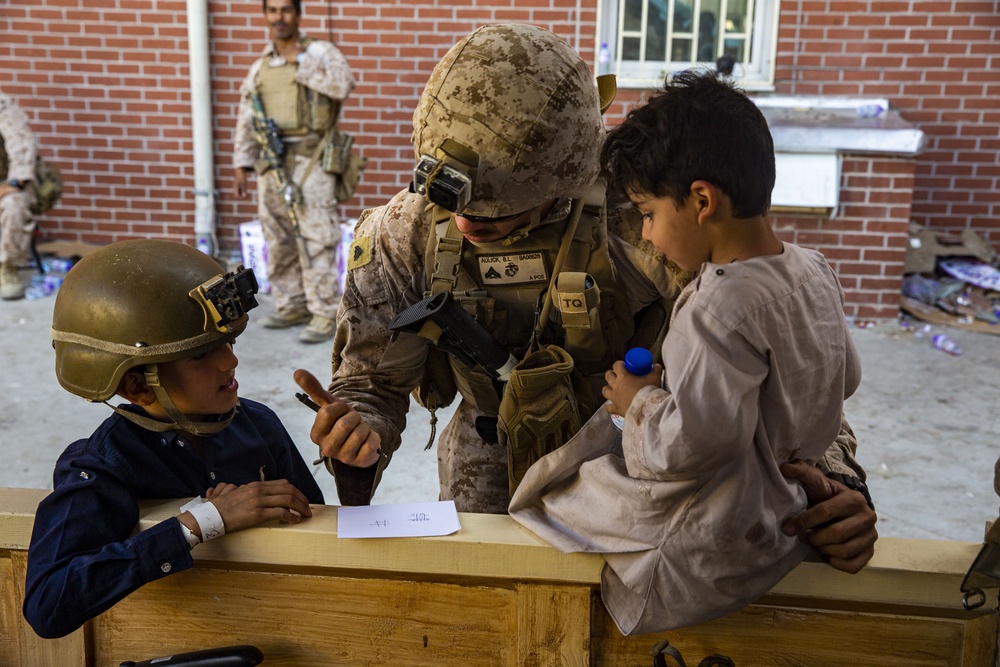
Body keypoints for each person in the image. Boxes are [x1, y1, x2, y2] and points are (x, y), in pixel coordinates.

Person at [294, 24, 876, 571]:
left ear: (568, 178)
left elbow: (788, 372)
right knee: (484, 593)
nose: (468, 225)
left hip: (630, 446)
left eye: (501, 210)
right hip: (488, 446)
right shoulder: (406, 232)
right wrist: (358, 426)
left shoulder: (644, 221)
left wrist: (834, 481)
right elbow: (373, 382)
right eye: (457, 207)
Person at [508, 71, 864, 634]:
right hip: (786, 502)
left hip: (717, 533)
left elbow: (686, 448)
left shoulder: (717, 306)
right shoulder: (812, 269)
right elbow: (844, 377)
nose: (646, 235)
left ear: (701, 200)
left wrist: (640, 401)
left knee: (556, 492)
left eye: (648, 214)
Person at [23, 239, 324, 639]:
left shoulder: (257, 423)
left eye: (228, 342)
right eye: (201, 355)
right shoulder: (102, 465)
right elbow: (48, 603)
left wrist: (355, 465)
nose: (230, 361)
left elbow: (318, 528)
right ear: (137, 386)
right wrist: (203, 522)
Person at [232, 0, 355, 344]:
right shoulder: (261, 66)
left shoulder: (319, 52)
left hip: (311, 158)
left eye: (286, 10)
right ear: (265, 15)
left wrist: (300, 62)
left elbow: (342, 84)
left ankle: (323, 312)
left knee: (317, 236)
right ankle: (291, 304)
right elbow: (247, 115)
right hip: (271, 162)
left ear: (298, 14)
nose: (279, 17)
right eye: (272, 10)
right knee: (278, 237)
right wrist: (242, 162)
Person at [0, 90, 38, 301]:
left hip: (10, 184)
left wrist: (11, 185)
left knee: (14, 205)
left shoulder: (4, 109)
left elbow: (22, 152)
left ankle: (8, 267)